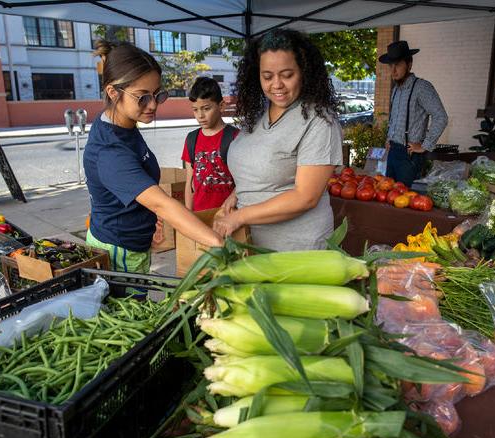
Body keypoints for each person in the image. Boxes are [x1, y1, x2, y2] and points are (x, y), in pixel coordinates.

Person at [84, 41, 222, 273]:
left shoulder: (121, 122)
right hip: (120, 250)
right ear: (112, 92)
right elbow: (162, 203)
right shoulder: (110, 151)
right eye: (142, 97)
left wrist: (147, 219)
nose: (152, 105)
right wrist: (217, 242)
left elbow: (139, 191)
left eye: (157, 95)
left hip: (134, 242)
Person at [213, 29, 342, 251]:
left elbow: (305, 197)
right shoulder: (259, 115)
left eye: (287, 74)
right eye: (267, 76)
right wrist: (236, 195)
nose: (277, 84)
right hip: (252, 244)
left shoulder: (320, 121)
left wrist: (240, 216)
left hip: (297, 249)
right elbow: (259, 166)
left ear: (304, 72)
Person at [379, 40, 448, 187]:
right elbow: (394, 119)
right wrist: (389, 138)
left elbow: (441, 117)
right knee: (388, 197)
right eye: (391, 65)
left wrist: (425, 145)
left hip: (409, 156)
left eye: (397, 64)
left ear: (409, 64)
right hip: (392, 152)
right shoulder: (396, 89)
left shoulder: (422, 87)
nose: (393, 70)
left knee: (405, 200)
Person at [182, 77, 239, 211]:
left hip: (230, 217)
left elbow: (247, 181)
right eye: (195, 110)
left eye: (206, 108)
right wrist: (189, 215)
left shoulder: (235, 137)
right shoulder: (191, 139)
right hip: (200, 218)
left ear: (221, 106)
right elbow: (189, 183)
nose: (200, 115)